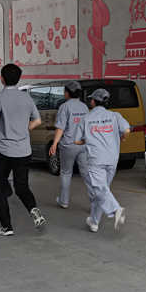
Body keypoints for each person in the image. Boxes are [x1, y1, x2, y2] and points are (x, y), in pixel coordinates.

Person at [0, 64, 46, 236]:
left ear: (2, 79)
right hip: (23, 151)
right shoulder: (27, 98)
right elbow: (37, 121)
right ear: (19, 78)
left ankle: (6, 227)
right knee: (21, 186)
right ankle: (33, 209)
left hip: (3, 151)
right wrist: (22, 129)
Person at [75, 88, 130, 232]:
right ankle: (94, 222)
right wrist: (122, 138)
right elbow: (127, 130)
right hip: (112, 158)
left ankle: (117, 209)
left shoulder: (86, 118)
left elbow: (77, 141)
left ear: (92, 101)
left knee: (100, 190)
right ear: (106, 102)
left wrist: (88, 139)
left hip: (96, 159)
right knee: (103, 190)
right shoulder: (115, 116)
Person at [50, 81, 93, 209]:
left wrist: (54, 143)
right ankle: (95, 202)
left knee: (66, 173)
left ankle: (63, 200)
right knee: (86, 174)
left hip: (68, 145)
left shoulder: (64, 107)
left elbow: (60, 128)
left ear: (67, 93)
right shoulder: (84, 107)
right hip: (82, 145)